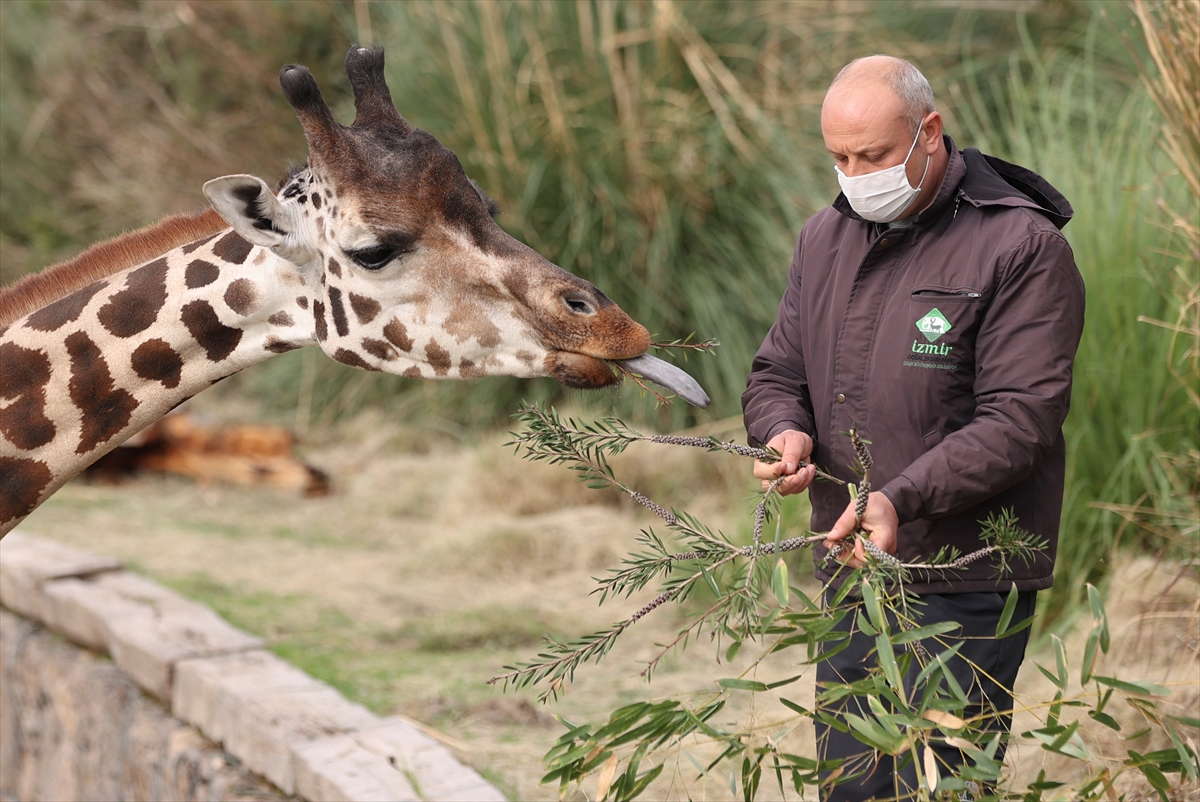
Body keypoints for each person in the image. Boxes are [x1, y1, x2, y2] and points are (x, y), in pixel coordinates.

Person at [742, 55, 1085, 800]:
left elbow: (1021, 419)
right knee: (853, 783)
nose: (854, 174)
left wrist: (899, 497)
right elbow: (777, 375)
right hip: (850, 567)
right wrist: (783, 434)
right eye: (838, 157)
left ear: (929, 132)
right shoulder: (823, 239)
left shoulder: (1021, 247)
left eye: (872, 155)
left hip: (963, 574)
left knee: (939, 786)